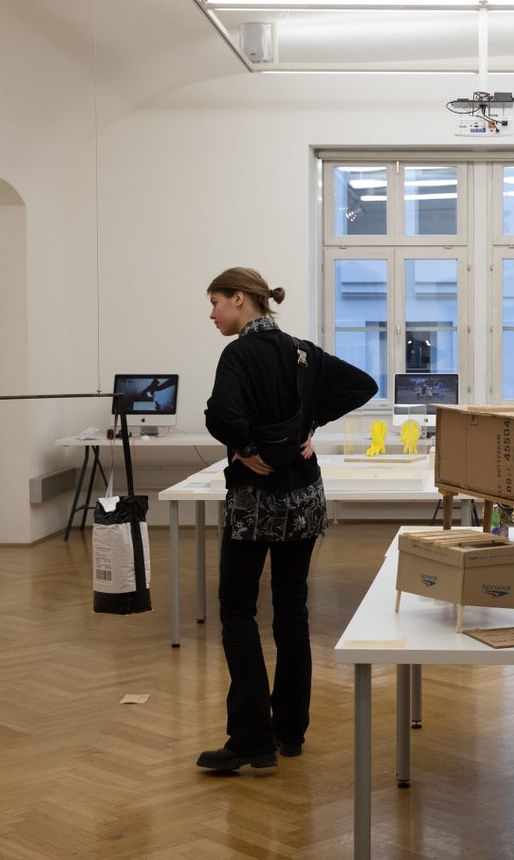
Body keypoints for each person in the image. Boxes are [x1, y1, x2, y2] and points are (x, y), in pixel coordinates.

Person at [199, 267, 376, 774]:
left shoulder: (237, 354)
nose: (212, 315)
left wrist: (247, 446)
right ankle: (291, 732)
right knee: (292, 611)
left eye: (216, 303)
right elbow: (362, 385)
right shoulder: (303, 351)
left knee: (237, 612)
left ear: (240, 299)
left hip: (256, 501)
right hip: (304, 498)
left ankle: (252, 739)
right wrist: (307, 425)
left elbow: (220, 417)